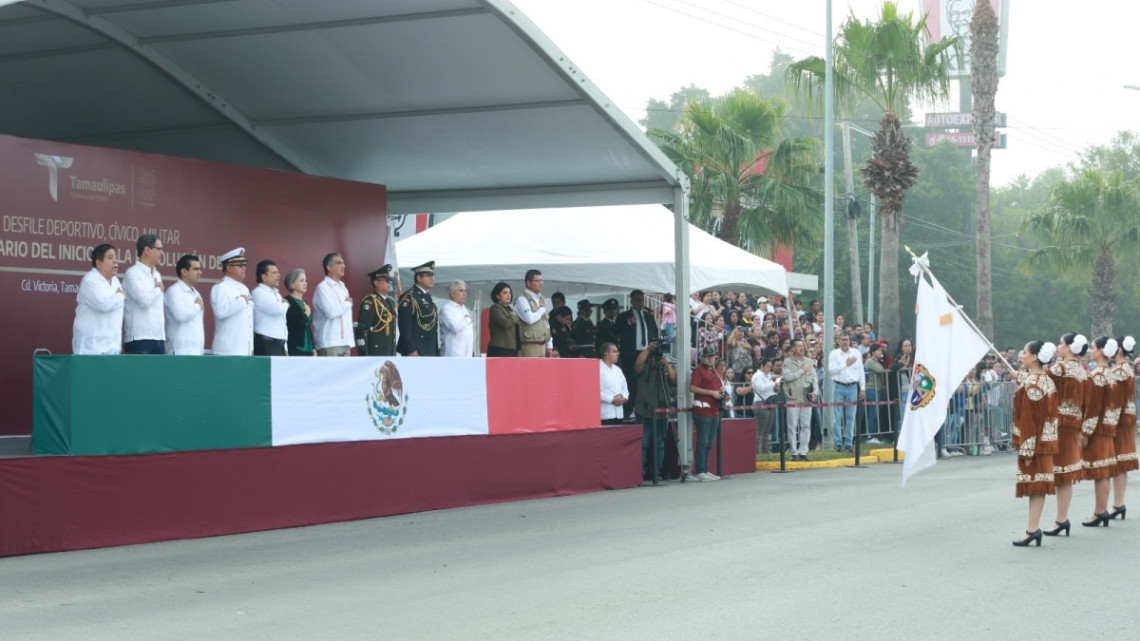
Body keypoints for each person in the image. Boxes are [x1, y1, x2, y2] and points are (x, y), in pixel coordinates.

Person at [1012, 340, 1060, 547]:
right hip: (1046, 441)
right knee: (1037, 486)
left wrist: (1027, 451)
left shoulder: (1033, 384)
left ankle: (1032, 529)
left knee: (1035, 486)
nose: (1021, 355)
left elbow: (1031, 421)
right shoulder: (1045, 380)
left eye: (1024, 352)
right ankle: (1033, 528)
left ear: (1034, 357)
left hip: (1035, 443)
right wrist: (1019, 375)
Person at [1043, 333, 1088, 536]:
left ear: (1069, 347)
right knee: (1065, 474)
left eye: (1061, 343)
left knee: (1058, 472)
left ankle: (1060, 519)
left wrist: (1023, 376)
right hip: (1073, 423)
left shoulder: (1060, 367)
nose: (1059, 347)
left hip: (1059, 422)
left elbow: (1041, 382)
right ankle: (1062, 518)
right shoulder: (1082, 371)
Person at [1080, 336, 1119, 528]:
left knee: (1100, 472)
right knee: (1104, 471)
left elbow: (1093, 407)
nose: (1090, 351)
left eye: (1093, 348)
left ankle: (1099, 511)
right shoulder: (1110, 373)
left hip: (1099, 427)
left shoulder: (1097, 375)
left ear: (1101, 351)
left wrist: (1085, 432)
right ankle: (1101, 510)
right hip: (1108, 425)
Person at [633, 339, 676, 481]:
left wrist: (667, 365)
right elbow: (637, 365)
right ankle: (640, 472)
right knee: (643, 444)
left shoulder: (662, 372)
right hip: (644, 411)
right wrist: (647, 350)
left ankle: (657, 472)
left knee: (660, 444)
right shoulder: (644, 370)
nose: (654, 361)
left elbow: (674, 380)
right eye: (653, 358)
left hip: (661, 413)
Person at [72, 243, 126, 355]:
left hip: (112, 348)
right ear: (99, 263)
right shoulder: (90, 281)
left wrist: (117, 297)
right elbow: (104, 304)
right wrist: (120, 296)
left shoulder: (115, 281)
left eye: (116, 257)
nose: (115, 261)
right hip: (91, 348)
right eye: (110, 257)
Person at [616, 290, 660, 415]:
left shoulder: (649, 316)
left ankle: (644, 409)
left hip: (647, 354)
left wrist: (653, 352)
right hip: (631, 355)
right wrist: (629, 322)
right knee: (631, 382)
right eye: (637, 300)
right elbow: (615, 330)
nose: (640, 302)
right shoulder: (625, 316)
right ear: (631, 301)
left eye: (642, 300)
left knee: (646, 382)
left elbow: (655, 334)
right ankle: (629, 409)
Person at [123, 234, 166, 354]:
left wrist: (162, 337)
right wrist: (158, 289)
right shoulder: (132, 273)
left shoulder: (157, 274)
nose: (162, 253)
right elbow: (143, 301)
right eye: (159, 249)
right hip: (139, 339)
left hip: (158, 338)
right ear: (147, 250)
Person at [1110, 335, 1137, 519]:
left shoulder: (1120, 370)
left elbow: (1115, 400)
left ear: (1119, 350)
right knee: (1121, 461)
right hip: (1125, 418)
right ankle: (1119, 502)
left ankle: (1118, 503)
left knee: (1119, 461)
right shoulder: (1125, 368)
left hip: (1119, 419)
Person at [690, 347, 726, 481]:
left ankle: (705, 468)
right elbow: (692, 387)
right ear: (702, 358)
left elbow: (719, 386)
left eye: (712, 357)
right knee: (703, 441)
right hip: (703, 409)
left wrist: (723, 393)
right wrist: (711, 393)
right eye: (708, 357)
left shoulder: (714, 371)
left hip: (714, 410)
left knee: (709, 441)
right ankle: (700, 470)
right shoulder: (698, 371)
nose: (711, 359)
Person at [210, 248, 254, 356]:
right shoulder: (221, 287)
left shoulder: (244, 288)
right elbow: (221, 312)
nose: (244, 268)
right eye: (240, 265)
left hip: (244, 349)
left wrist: (251, 348)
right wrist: (241, 301)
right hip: (227, 350)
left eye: (245, 265)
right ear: (229, 268)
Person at [782, 338, 819, 461]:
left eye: (802, 345)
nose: (801, 348)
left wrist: (815, 392)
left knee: (805, 425)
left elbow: (814, 378)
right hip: (793, 397)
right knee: (792, 425)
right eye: (798, 346)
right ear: (792, 348)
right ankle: (794, 452)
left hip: (806, 397)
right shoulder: (787, 362)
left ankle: (803, 451)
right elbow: (787, 377)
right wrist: (801, 371)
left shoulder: (809, 361)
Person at [828, 333, 866, 452]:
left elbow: (860, 371)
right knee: (837, 417)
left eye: (847, 340)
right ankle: (838, 443)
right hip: (838, 386)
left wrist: (863, 388)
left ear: (850, 341)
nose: (845, 342)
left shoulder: (856, 353)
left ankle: (849, 443)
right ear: (838, 341)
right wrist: (845, 364)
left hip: (852, 387)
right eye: (842, 340)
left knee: (851, 417)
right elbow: (831, 370)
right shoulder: (834, 354)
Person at [313, 252, 354, 357]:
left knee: (346, 373)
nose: (343, 266)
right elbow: (331, 312)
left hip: (345, 342)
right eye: (339, 263)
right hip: (330, 342)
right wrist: (347, 303)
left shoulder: (343, 287)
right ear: (329, 268)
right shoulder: (323, 287)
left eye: (343, 263)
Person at [163, 254, 205, 355]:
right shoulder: (174, 291)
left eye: (200, 269)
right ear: (184, 272)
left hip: (196, 351)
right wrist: (197, 306)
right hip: (179, 351)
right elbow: (180, 315)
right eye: (195, 269)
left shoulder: (197, 293)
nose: (200, 272)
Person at [397, 261, 440, 356]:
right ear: (419, 278)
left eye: (433, 275)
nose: (432, 278)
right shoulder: (409, 297)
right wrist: (411, 349)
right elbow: (404, 326)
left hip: (429, 348)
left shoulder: (427, 297)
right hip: (416, 349)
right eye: (428, 275)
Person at [354, 265, 397, 356]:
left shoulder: (390, 302)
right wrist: (363, 351)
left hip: (389, 350)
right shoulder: (370, 301)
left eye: (390, 280)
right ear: (376, 283)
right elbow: (362, 328)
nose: (390, 283)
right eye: (386, 280)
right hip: (375, 351)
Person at [251, 259, 289, 356]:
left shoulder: (276, 294)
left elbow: (282, 322)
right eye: (274, 273)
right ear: (264, 277)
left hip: (279, 344)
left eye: (278, 272)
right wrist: (286, 303)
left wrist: (285, 348)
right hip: (266, 343)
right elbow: (278, 309)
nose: (278, 275)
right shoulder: (258, 293)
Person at [512, 269, 553, 358]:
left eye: (541, 280)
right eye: (537, 281)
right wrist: (542, 309)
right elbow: (529, 319)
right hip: (529, 345)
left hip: (543, 344)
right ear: (528, 283)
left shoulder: (541, 298)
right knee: (529, 371)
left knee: (542, 371)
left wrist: (549, 345)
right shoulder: (522, 299)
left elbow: (546, 323)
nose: (541, 283)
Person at [751, 358, 780, 455]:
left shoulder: (768, 376)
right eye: (767, 367)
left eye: (770, 367)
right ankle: (757, 451)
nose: (769, 369)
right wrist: (773, 384)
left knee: (767, 429)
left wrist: (775, 387)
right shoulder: (757, 376)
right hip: (760, 402)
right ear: (762, 366)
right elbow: (761, 388)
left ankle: (765, 450)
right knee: (760, 429)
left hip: (769, 402)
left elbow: (771, 389)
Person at [283, 268, 315, 356]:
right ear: (292, 284)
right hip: (296, 347)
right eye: (301, 281)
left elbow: (308, 327)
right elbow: (297, 324)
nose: (305, 283)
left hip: (308, 349)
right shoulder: (288, 302)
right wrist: (307, 313)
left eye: (305, 280)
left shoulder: (304, 303)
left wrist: (313, 347)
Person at [439, 280, 474, 357]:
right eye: (461, 291)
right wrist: (467, 320)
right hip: (453, 353)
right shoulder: (447, 309)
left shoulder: (464, 309)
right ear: (452, 294)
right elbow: (454, 327)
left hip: (466, 353)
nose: (465, 294)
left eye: (465, 291)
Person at [598, 342, 628, 426]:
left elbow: (625, 389)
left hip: (619, 413)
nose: (617, 354)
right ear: (606, 354)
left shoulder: (618, 370)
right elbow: (592, 391)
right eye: (614, 352)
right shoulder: (597, 368)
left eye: (617, 352)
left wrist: (624, 398)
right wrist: (611, 399)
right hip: (605, 414)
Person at [864, 342, 888, 443]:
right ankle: (870, 435)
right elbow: (880, 370)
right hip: (872, 389)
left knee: (875, 414)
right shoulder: (870, 361)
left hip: (877, 389)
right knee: (872, 414)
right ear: (873, 352)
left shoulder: (876, 361)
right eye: (878, 350)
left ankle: (873, 435)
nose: (880, 352)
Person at [487, 282, 519, 357]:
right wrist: (514, 317)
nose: (508, 295)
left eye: (509, 293)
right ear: (498, 296)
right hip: (499, 349)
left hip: (512, 349)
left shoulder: (510, 309)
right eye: (505, 293)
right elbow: (505, 323)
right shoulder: (495, 308)